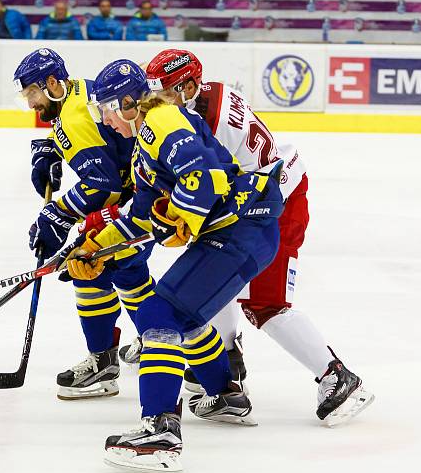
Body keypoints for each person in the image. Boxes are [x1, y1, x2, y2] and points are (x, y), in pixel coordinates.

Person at [65, 59, 284, 473]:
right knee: (180, 312)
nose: (105, 120)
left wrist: (184, 218)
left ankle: (160, 432)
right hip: (242, 232)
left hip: (242, 227)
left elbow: (199, 177)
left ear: (130, 102)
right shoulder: (143, 149)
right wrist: (94, 248)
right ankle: (224, 396)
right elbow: (140, 219)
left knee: (158, 312)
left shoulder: (160, 118)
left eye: (108, 109)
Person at [142, 49, 374, 426]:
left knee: (265, 303)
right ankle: (229, 356)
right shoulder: (205, 96)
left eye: (165, 93)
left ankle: (338, 377)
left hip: (276, 201)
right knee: (213, 265)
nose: (157, 103)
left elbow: (211, 188)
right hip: (259, 193)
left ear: (188, 86)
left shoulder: (202, 123)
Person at [13, 48, 154, 399]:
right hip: (142, 193)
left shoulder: (74, 118)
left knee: (89, 267)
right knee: (125, 276)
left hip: (133, 203)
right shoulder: (81, 89)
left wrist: (58, 213)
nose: (30, 103)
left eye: (32, 92)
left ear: (51, 84)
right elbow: (96, 135)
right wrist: (50, 148)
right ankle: (150, 343)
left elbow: (103, 185)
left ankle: (168, 354)